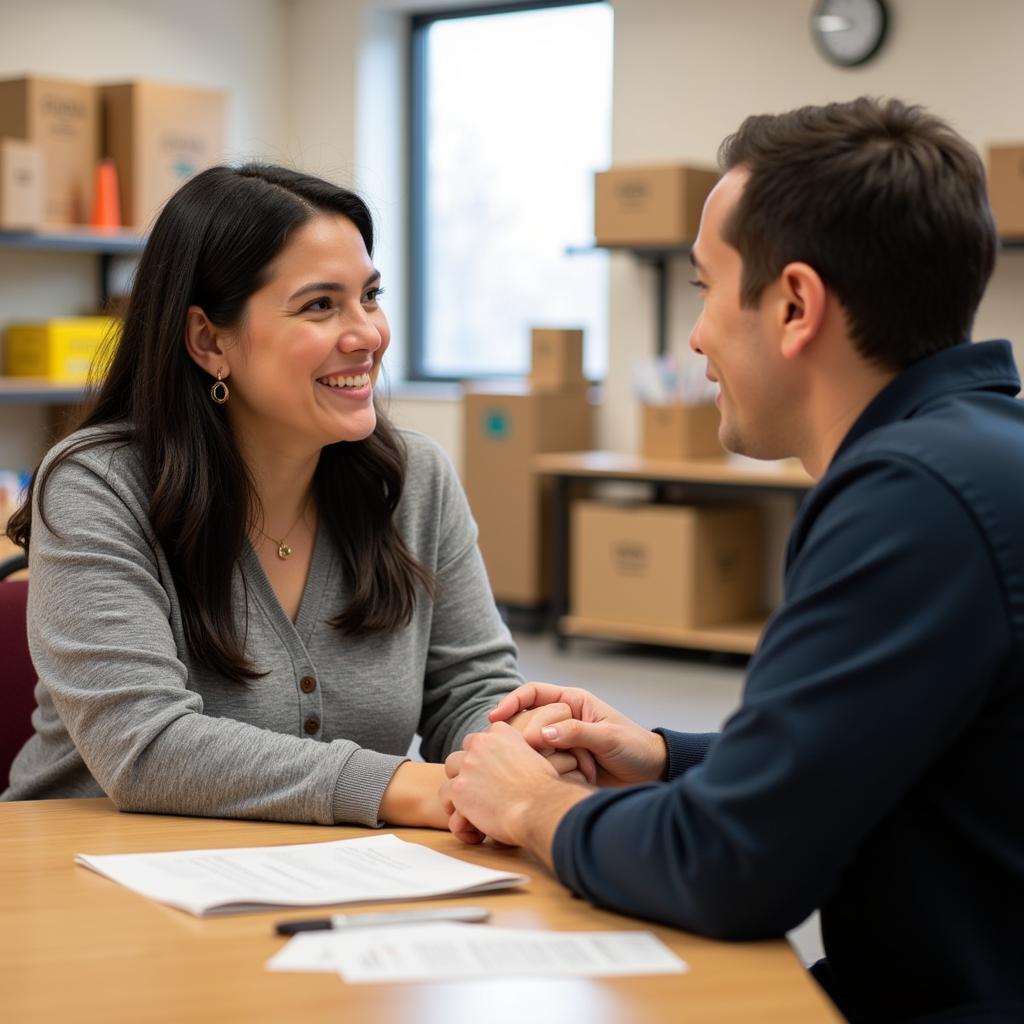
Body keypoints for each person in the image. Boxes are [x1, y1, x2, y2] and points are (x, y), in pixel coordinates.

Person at [440, 98, 1024, 1022]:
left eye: (705, 287)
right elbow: (866, 754)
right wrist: (665, 758)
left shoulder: (914, 498)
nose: (697, 336)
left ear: (794, 305)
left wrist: (530, 809)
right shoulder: (976, 454)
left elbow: (731, 866)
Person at [2, 163, 581, 826]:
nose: (368, 333)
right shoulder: (97, 485)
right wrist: (419, 788)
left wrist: (526, 744)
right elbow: (147, 746)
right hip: (81, 883)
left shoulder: (414, 479)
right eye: (320, 305)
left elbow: (469, 690)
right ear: (208, 341)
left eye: (370, 295)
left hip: (321, 883)